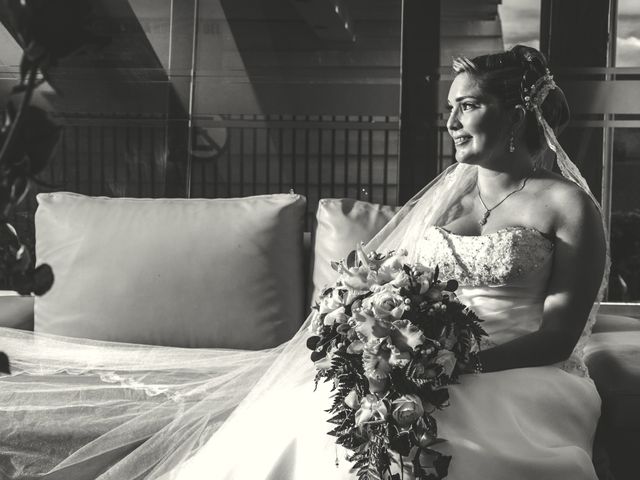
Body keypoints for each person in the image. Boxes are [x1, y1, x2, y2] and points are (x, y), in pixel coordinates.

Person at [0, 45, 608, 480]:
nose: (450, 122)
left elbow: (557, 336)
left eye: (468, 106)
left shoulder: (567, 206)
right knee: (306, 423)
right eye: (450, 107)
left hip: (512, 370)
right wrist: (380, 332)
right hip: (410, 360)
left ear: (517, 110)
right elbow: (394, 278)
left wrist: (447, 364)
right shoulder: (451, 189)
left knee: (459, 449)